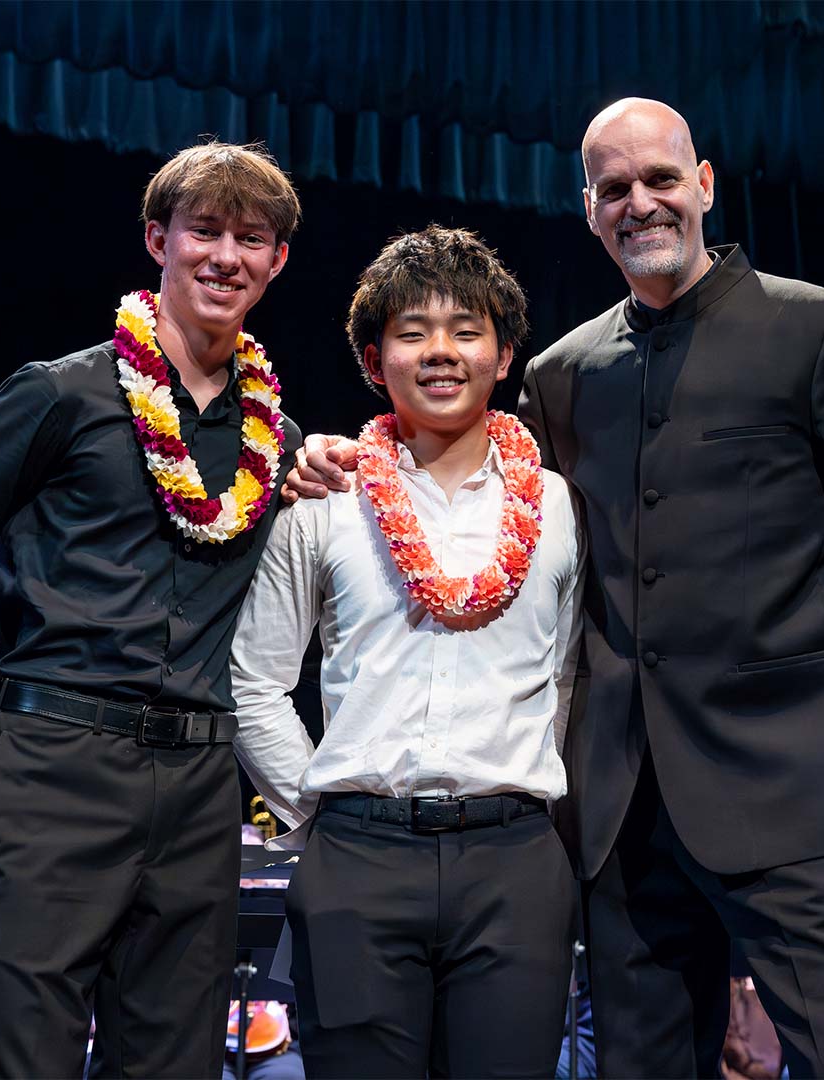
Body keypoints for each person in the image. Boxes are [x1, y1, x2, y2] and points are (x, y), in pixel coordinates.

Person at [284, 99, 824, 1078]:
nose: (639, 203)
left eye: (658, 179)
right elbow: (498, 512)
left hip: (788, 789)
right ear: (589, 209)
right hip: (619, 813)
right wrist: (341, 459)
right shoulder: (564, 373)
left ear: (705, 185)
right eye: (615, 189)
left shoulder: (819, 332)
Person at [0, 141, 302, 1078]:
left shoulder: (271, 436)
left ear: (277, 262)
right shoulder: (63, 393)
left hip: (199, 786)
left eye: (252, 238)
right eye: (204, 231)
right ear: (158, 238)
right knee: (21, 1057)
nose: (225, 256)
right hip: (55, 769)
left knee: (171, 1062)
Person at [231, 226, 583, 1078]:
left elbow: (563, 674)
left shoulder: (562, 506)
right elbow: (254, 682)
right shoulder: (325, 500)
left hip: (516, 862)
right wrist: (321, 814)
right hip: (357, 858)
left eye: (467, 330)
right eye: (412, 331)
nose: (441, 352)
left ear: (504, 358)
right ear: (371, 358)